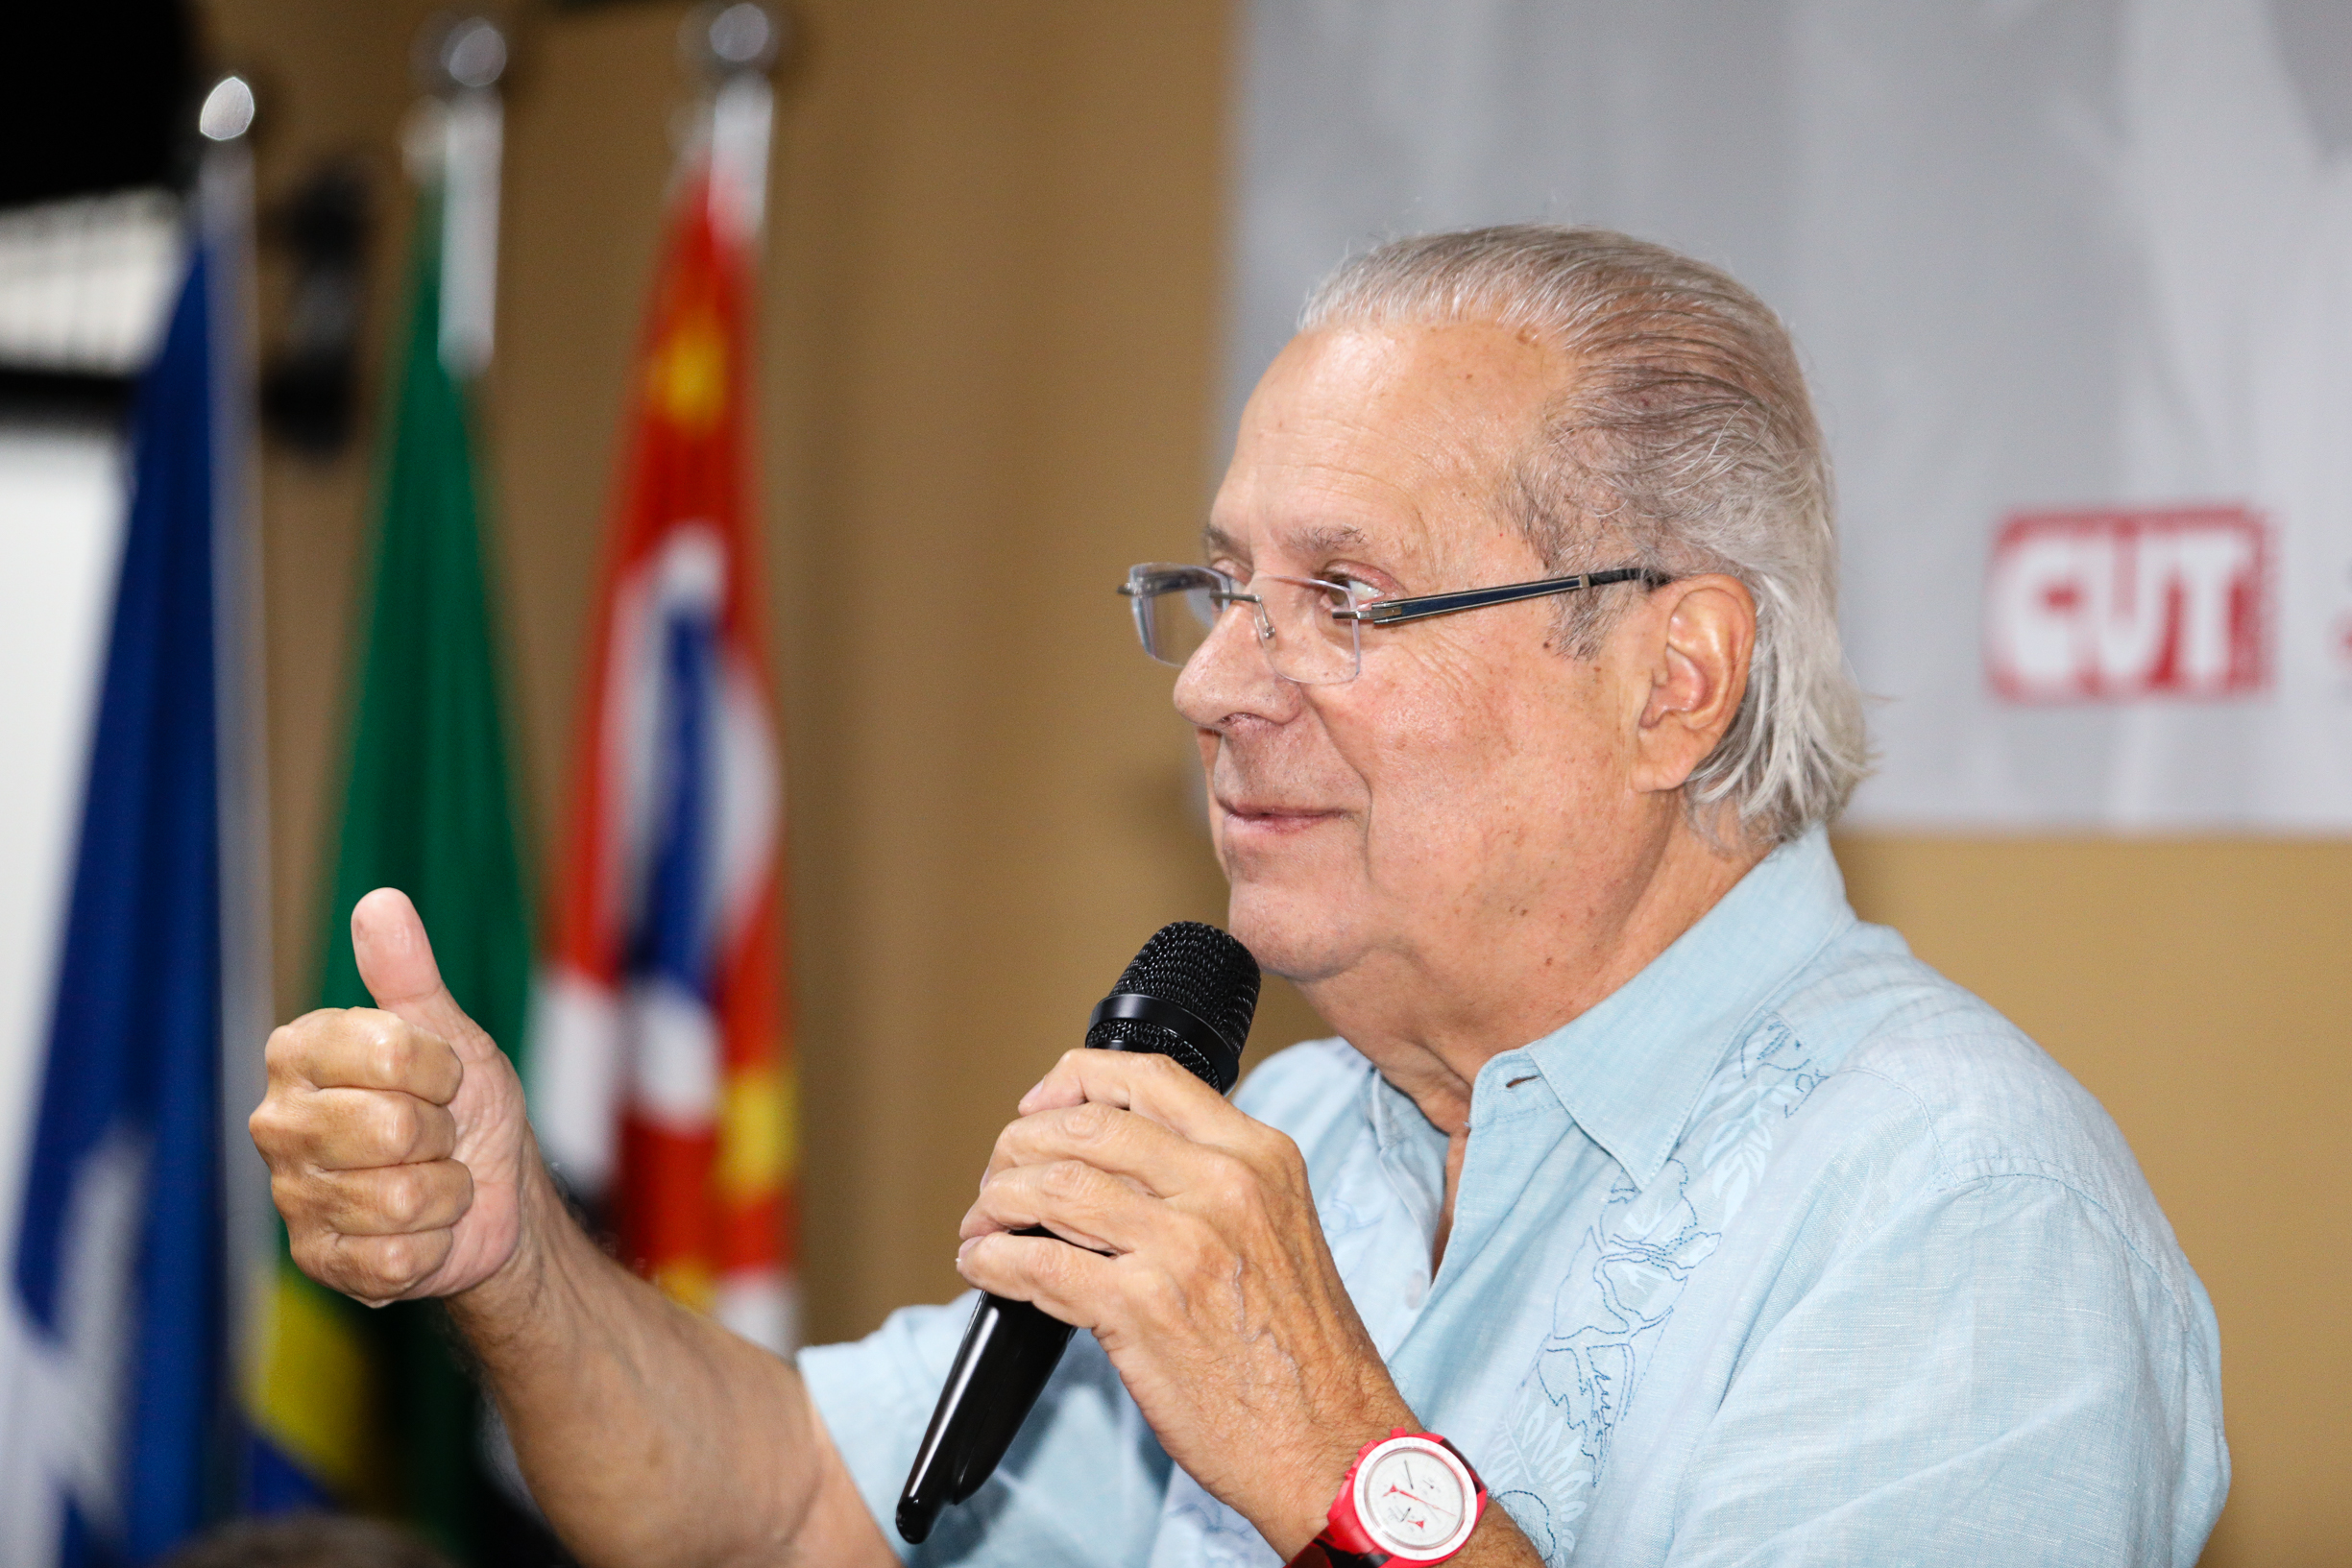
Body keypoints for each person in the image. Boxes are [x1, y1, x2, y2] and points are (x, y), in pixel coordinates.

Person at [250, 226, 2226, 1568]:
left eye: (1346, 599)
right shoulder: (1299, 1133)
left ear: (1673, 677)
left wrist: (1327, 1455)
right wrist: (513, 1259)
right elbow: (775, 1511)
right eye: (1220, 588)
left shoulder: (1959, 1207)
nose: (1209, 683)